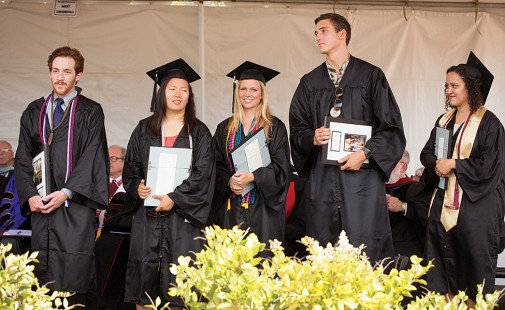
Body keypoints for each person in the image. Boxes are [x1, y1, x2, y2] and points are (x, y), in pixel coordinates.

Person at [289, 13, 406, 264]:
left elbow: (392, 128)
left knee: (364, 246)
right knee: (323, 248)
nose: (317, 36)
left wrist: (365, 153)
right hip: (323, 181)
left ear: (342, 34)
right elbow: (297, 128)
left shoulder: (371, 76)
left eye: (323, 31)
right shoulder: (310, 83)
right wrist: (312, 137)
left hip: (361, 181)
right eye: (316, 32)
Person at [14, 46, 109, 307]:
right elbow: (23, 157)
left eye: (67, 71)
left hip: (74, 206)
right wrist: (30, 195)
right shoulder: (35, 111)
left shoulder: (90, 111)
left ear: (79, 75)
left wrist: (66, 192)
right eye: (55, 71)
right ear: (49, 73)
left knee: (73, 275)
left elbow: (92, 155)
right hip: (41, 207)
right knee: (41, 276)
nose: (60, 77)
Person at [123, 59, 215, 309]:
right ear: (161, 92)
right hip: (149, 214)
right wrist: (137, 187)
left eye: (184, 90)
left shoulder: (199, 132)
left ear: (190, 96)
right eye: (172, 88)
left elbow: (204, 173)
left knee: (181, 286)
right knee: (145, 285)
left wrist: (174, 197)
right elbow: (130, 168)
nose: (178, 94)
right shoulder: (144, 129)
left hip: (183, 219)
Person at [418, 52, 505, 306]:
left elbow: (491, 165)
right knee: (441, 266)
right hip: (444, 202)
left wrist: (454, 164)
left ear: (472, 88)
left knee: (472, 266)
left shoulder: (490, 124)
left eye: (454, 85)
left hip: (475, 207)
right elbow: (426, 152)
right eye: (446, 85)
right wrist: (436, 164)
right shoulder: (443, 121)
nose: (448, 91)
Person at [212, 61, 290, 256]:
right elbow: (214, 165)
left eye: (254, 89)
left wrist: (253, 176)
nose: (248, 94)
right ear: (237, 92)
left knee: (263, 264)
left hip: (264, 211)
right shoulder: (225, 128)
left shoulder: (274, 127)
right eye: (243, 89)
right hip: (231, 210)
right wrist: (229, 180)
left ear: (262, 93)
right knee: (231, 266)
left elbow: (282, 168)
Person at [95, 145, 135, 310]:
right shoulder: (96, 182)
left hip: (115, 235)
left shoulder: (131, 185)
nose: (109, 162)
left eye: (114, 158)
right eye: (107, 158)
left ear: (125, 162)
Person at [386, 150, 425, 266]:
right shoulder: (374, 187)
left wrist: (402, 206)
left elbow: (428, 214)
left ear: (403, 167)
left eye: (391, 163)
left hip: (405, 248)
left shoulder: (415, 189)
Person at [0, 140, 30, 255]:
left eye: (4, 150)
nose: (0, 153)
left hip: (17, 232)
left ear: (12, 154)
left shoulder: (24, 176)